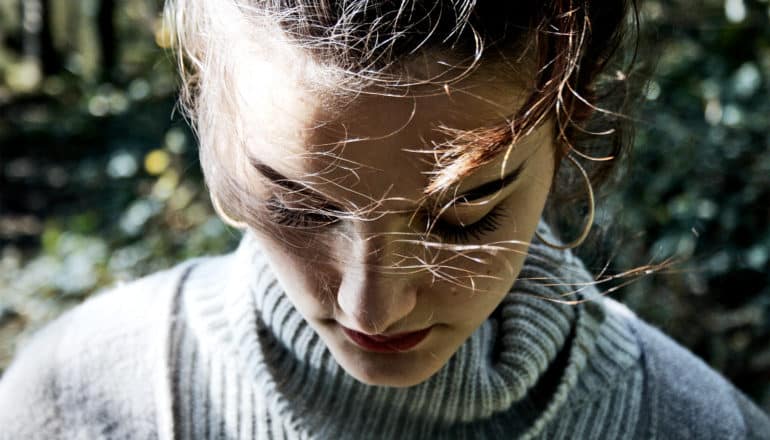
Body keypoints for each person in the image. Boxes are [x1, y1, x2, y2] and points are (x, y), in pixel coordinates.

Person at [0, 1, 768, 439]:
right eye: (300, 205)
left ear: (569, 130)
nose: (373, 306)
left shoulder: (697, 426)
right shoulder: (71, 402)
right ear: (207, 114)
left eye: (466, 214)